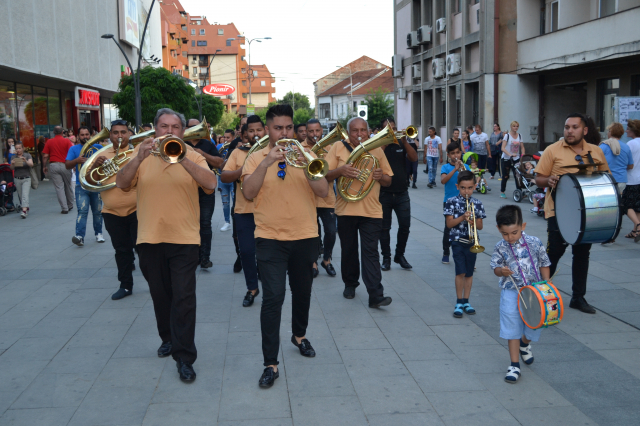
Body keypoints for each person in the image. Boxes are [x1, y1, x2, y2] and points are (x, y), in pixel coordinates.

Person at [116, 108, 217, 382]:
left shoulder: (193, 155)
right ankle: (168, 337)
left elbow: (210, 183)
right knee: (161, 295)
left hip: (184, 239)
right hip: (149, 238)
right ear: (155, 128)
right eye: (164, 126)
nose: (169, 131)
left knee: (184, 297)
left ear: (182, 132)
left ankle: (185, 357)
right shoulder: (141, 154)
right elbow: (122, 183)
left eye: (175, 127)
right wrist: (138, 158)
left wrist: (182, 158)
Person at [242, 104, 328, 388]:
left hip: (305, 236)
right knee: (273, 299)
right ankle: (270, 363)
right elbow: (248, 193)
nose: (284, 133)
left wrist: (305, 165)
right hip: (269, 238)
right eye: (278, 128)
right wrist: (267, 162)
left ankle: (299, 336)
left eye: (289, 127)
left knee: (302, 292)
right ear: (268, 129)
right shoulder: (255, 158)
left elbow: (323, 191)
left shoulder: (308, 155)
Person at [535, 113, 609, 314]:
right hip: (558, 212)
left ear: (584, 130)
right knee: (555, 252)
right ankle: (541, 294)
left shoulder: (595, 152)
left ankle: (578, 298)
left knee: (582, 254)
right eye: (567, 127)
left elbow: (606, 178)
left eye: (574, 127)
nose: (569, 131)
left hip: (586, 213)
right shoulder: (552, 150)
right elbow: (538, 178)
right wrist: (548, 180)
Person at [325, 117, 393, 307]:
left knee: (371, 252)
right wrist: (341, 171)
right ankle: (350, 284)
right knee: (348, 250)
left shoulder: (376, 149)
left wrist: (381, 176)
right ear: (348, 133)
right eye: (355, 131)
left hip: (372, 211)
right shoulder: (338, 147)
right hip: (345, 209)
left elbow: (389, 180)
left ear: (368, 131)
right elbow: (324, 175)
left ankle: (375, 294)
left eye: (363, 130)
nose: (360, 134)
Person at [490, 205, 551, 383]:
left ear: (523, 226)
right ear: (499, 230)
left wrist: (546, 282)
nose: (510, 237)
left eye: (514, 232)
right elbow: (495, 268)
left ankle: (525, 343)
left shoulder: (534, 242)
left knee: (535, 324)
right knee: (511, 326)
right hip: (511, 291)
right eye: (505, 234)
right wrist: (502, 271)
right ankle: (514, 364)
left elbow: (544, 263)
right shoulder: (500, 247)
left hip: (534, 291)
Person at [86, 120, 139, 300]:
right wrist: (95, 166)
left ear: (129, 134)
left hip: (137, 209)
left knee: (144, 249)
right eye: (115, 133)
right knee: (121, 250)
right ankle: (125, 286)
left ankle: (156, 282)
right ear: (110, 135)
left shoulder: (136, 153)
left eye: (123, 132)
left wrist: (117, 168)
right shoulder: (101, 154)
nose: (119, 136)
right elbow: (90, 182)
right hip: (111, 211)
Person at [221, 116, 265, 307]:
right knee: (247, 251)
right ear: (245, 134)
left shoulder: (273, 152)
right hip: (244, 210)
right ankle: (252, 288)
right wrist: (243, 170)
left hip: (267, 210)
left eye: (259, 130)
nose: (255, 134)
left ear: (265, 131)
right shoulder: (238, 153)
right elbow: (224, 176)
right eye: (251, 131)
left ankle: (266, 282)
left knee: (266, 253)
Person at [444, 170, 486, 318]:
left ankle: (466, 301)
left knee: (468, 273)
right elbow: (449, 224)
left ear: (474, 187)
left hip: (471, 242)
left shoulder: (478, 203)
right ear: (457, 187)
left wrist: (473, 221)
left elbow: (480, 226)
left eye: (469, 188)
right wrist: (462, 217)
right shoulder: (451, 202)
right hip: (457, 241)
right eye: (463, 188)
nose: (466, 191)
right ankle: (458, 301)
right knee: (460, 271)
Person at [185, 118, 224, 269]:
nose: (194, 129)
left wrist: (201, 153)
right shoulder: (180, 143)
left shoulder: (207, 144)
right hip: (186, 190)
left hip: (205, 190)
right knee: (189, 224)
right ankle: (192, 257)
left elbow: (219, 163)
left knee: (205, 224)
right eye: (191, 127)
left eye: (197, 127)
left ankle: (205, 258)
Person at [379, 117, 417, 271]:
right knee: (384, 228)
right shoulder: (378, 145)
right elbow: (374, 161)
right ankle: (386, 258)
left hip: (402, 193)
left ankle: (399, 255)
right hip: (384, 193)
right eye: (388, 129)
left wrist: (405, 142)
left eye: (393, 128)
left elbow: (414, 158)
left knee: (405, 226)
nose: (392, 131)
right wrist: (385, 144)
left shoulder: (401, 143)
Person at [302, 119, 337, 277]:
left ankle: (327, 259)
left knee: (331, 231)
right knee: (312, 233)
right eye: (311, 131)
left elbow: (332, 174)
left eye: (317, 131)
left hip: (327, 197)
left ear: (321, 130)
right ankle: (314, 262)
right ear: (306, 131)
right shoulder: (301, 148)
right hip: (308, 198)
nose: (314, 134)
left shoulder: (330, 147)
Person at [65, 126, 105, 246]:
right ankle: (80, 236)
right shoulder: (74, 149)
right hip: (81, 185)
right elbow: (67, 165)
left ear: (91, 135)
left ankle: (99, 234)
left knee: (97, 211)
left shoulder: (98, 147)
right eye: (82, 135)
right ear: (78, 137)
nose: (85, 137)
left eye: (87, 134)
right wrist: (77, 160)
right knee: (82, 211)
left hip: (96, 184)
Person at [599, 122, 634, 245]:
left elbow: (597, 162)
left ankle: (609, 234)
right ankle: (614, 232)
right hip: (622, 181)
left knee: (607, 208)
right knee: (617, 208)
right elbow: (630, 165)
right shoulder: (626, 147)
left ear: (610, 132)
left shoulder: (604, 146)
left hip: (608, 180)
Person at [441, 143, 471, 264]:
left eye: (457, 152)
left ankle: (466, 255)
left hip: (464, 201)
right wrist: (455, 169)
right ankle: (446, 252)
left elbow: (471, 181)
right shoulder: (446, 168)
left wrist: (462, 169)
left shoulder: (466, 167)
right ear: (448, 155)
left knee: (466, 228)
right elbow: (443, 180)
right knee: (449, 228)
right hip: (449, 202)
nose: (455, 155)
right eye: (452, 153)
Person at [42, 126, 74, 213]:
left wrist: (44, 166)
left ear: (53, 132)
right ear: (62, 132)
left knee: (59, 187)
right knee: (68, 185)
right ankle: (70, 204)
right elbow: (72, 152)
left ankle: (64, 208)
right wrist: (73, 164)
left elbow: (45, 155)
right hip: (65, 165)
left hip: (54, 165)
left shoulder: (49, 141)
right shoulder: (67, 141)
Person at [622, 119, 640, 242]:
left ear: (633, 131)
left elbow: (627, 163)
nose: (626, 130)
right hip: (639, 178)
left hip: (631, 178)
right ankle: (635, 231)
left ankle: (638, 225)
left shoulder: (631, 144)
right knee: (638, 206)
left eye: (628, 128)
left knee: (625, 205)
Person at [500, 121, 525, 199]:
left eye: (517, 126)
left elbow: (522, 147)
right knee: (505, 176)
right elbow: (502, 148)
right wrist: (510, 154)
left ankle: (519, 191)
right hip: (506, 158)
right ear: (511, 127)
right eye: (514, 126)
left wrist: (523, 155)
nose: (516, 128)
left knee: (517, 175)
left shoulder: (519, 136)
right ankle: (502, 192)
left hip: (516, 158)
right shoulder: (507, 136)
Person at [9, 142, 33, 218]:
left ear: (23, 148)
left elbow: (31, 164)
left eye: (19, 148)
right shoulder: (13, 157)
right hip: (17, 178)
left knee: (25, 195)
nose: (18, 150)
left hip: (26, 178)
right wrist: (12, 164)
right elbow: (11, 169)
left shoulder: (27, 155)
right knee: (20, 195)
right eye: (16, 149)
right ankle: (26, 206)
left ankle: (24, 211)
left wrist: (25, 160)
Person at [219, 129, 235, 232]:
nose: (225, 139)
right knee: (225, 203)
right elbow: (218, 163)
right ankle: (227, 222)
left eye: (228, 137)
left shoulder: (236, 147)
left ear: (233, 137)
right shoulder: (219, 147)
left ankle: (235, 222)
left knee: (235, 201)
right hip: (222, 178)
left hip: (233, 177)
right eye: (225, 137)